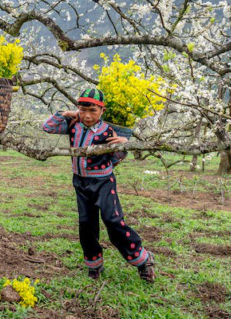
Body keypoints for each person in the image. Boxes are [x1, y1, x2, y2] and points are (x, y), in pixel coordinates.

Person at [42, 88, 155, 283]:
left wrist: (124, 143)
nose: (87, 116)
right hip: (80, 181)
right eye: (82, 110)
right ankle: (94, 264)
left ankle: (142, 260)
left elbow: (117, 158)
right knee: (86, 223)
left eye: (93, 111)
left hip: (103, 182)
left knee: (113, 221)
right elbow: (48, 127)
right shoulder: (73, 125)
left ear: (102, 111)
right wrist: (67, 114)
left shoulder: (108, 131)